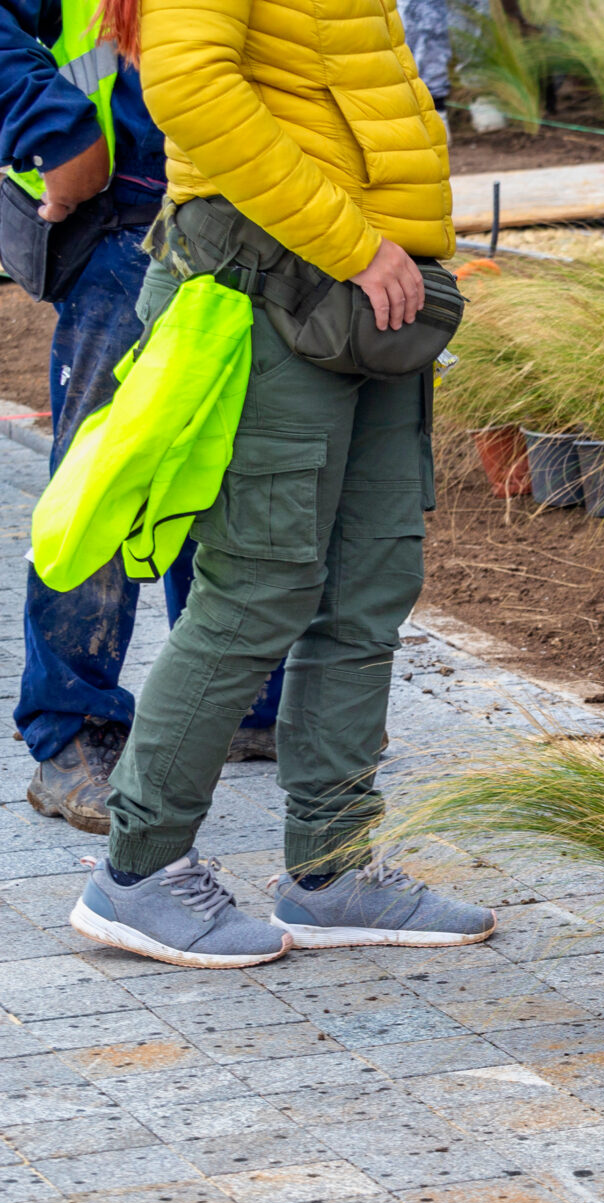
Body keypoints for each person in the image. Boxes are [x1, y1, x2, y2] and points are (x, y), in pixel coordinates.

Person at [65, 0, 493, 969]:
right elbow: (190, 86)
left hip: (369, 296)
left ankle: (332, 867)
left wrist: (390, 246)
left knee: (370, 578)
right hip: (285, 281)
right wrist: (358, 243)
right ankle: (139, 870)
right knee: (258, 584)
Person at [0, 0, 281, 834]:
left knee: (235, 455)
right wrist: (54, 130)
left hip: (254, 207)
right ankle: (73, 732)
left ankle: (239, 699)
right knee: (108, 475)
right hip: (126, 218)